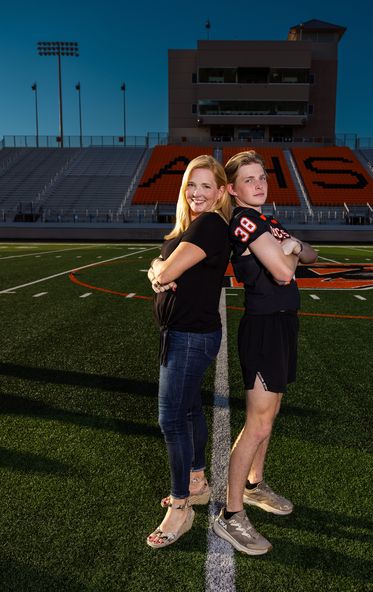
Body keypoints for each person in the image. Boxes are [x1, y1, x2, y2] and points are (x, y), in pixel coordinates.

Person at [213, 150, 317, 555]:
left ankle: (254, 486)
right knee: (257, 424)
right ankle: (231, 514)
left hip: (283, 323)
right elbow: (285, 271)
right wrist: (290, 248)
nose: (259, 184)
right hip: (263, 328)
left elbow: (312, 255)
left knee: (269, 417)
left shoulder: (268, 220)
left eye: (262, 178)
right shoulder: (244, 219)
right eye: (249, 180)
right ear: (233, 189)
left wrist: (292, 244)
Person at [146, 154, 231, 549]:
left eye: (206, 186)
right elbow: (159, 267)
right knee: (190, 409)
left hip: (190, 336)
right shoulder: (191, 226)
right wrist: (160, 272)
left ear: (220, 193)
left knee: (171, 419)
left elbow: (163, 271)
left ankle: (180, 508)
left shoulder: (211, 224)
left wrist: (161, 273)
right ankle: (197, 481)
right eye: (191, 185)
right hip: (182, 334)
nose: (197, 193)